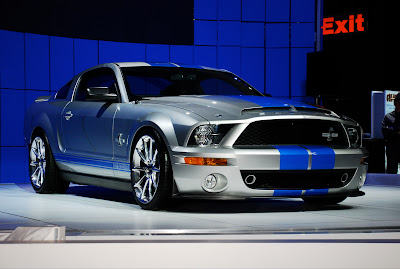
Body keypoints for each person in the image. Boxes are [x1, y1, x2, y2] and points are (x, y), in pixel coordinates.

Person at [382, 93, 400, 174]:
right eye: (399, 102)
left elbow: (389, 130)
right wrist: (397, 131)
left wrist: (393, 130)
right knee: (391, 172)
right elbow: (384, 131)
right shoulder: (388, 117)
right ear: (395, 103)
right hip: (392, 149)